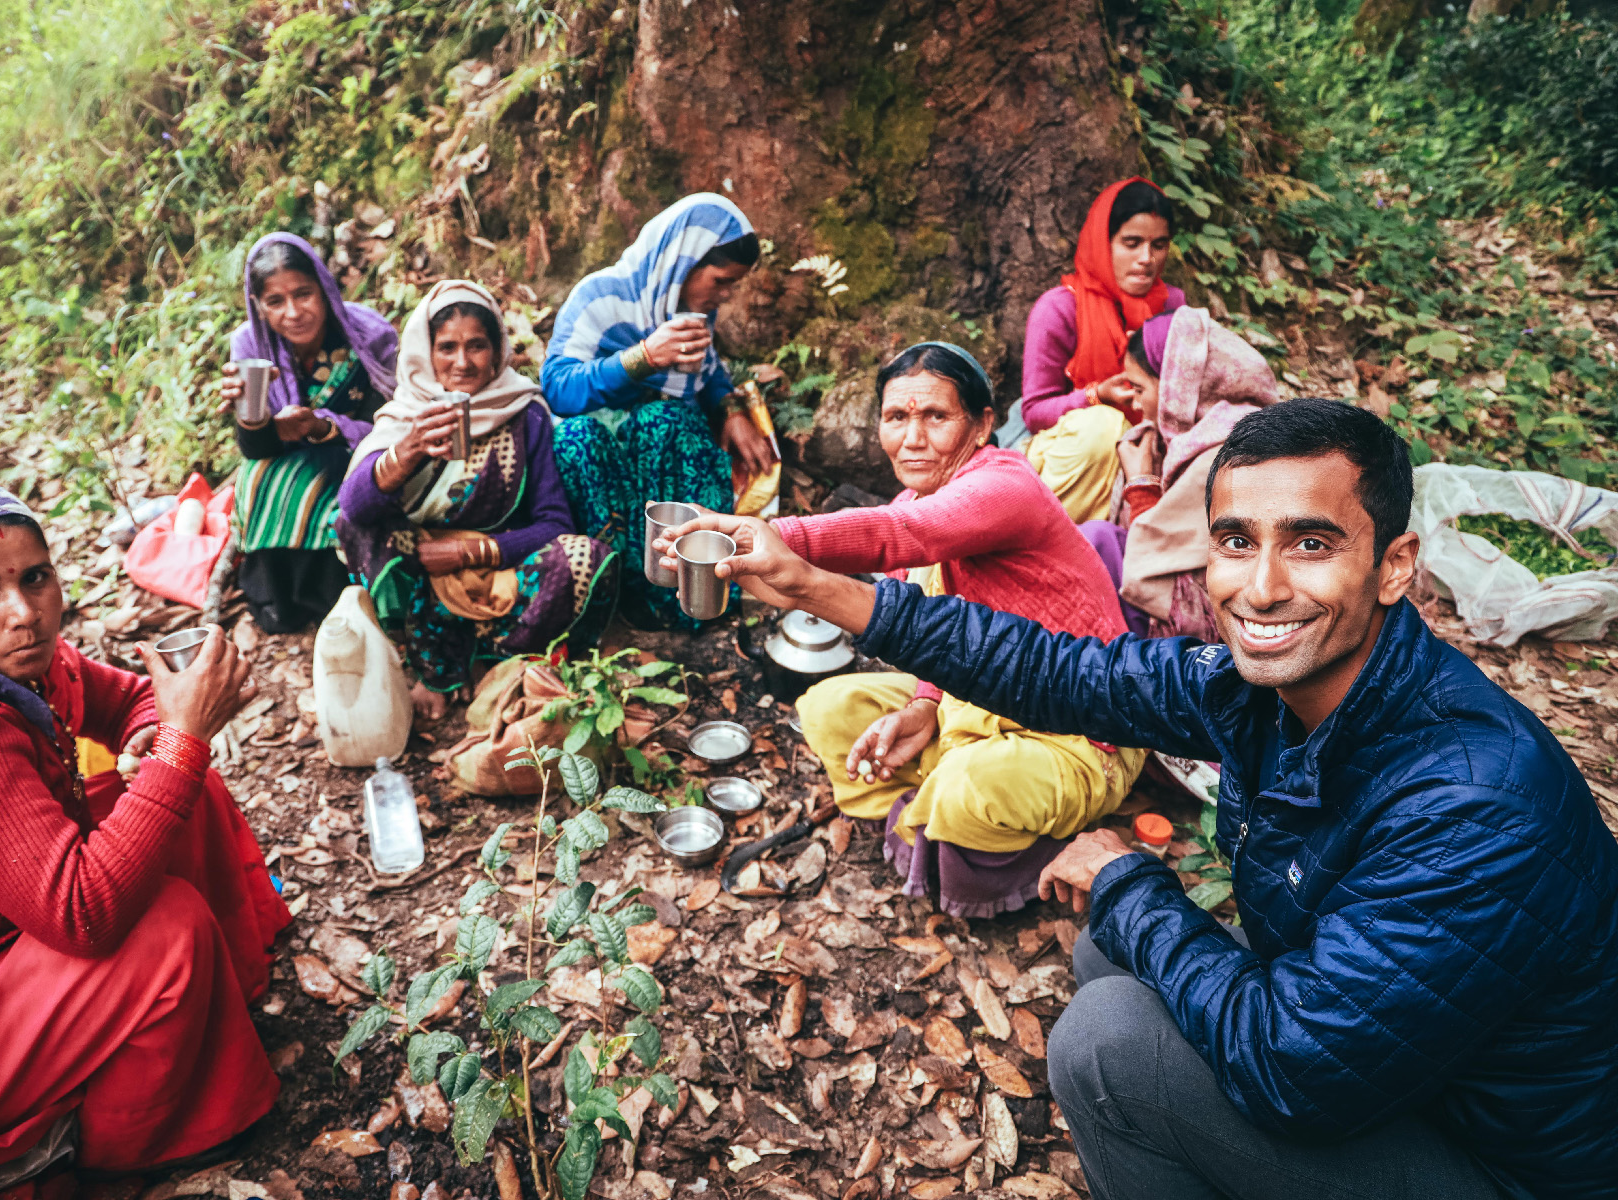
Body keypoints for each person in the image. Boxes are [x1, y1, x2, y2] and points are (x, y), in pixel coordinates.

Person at [658, 399, 1618, 1199]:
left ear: (1395, 566)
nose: (1263, 586)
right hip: (1401, 1058)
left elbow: (1296, 1073)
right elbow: (1056, 670)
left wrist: (1129, 877)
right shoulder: (1268, 690)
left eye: (1312, 544)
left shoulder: (1476, 803)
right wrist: (808, 582)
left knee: (1106, 1041)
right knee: (1113, 950)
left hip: (1502, 1165)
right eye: (1237, 542)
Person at [0, 477, 289, 1187]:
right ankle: (134, 1146)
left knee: (178, 792)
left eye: (36, 578)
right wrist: (181, 741)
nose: (25, 614)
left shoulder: (8, 664)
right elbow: (84, 915)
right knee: (165, 926)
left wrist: (157, 740)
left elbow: (129, 700)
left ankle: (223, 1008)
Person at [779, 343, 1146, 917]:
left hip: (1076, 732)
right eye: (896, 417)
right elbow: (940, 639)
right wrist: (924, 707)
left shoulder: (1005, 485)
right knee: (828, 708)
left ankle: (992, 841)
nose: (913, 438)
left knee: (966, 787)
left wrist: (766, 538)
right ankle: (938, 815)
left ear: (982, 426)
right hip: (969, 705)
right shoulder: (915, 502)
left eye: (936, 417)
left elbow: (899, 532)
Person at [335, 280, 617, 721]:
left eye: (477, 346)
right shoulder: (404, 417)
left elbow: (554, 522)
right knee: (358, 527)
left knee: (584, 557)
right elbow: (354, 509)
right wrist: (406, 453)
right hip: (422, 572)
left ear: (498, 350)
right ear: (424, 353)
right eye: (446, 347)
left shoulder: (524, 413)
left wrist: (473, 550)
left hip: (496, 571)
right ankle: (434, 667)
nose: (462, 362)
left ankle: (496, 658)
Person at [544, 193, 775, 629]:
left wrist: (730, 409)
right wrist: (644, 357)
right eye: (721, 280)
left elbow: (706, 372)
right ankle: (615, 593)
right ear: (682, 261)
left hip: (654, 452)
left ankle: (691, 593)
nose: (724, 296)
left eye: (732, 285)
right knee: (578, 441)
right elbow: (558, 389)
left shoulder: (692, 313)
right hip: (601, 454)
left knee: (667, 421)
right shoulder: (600, 298)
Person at [218, 232, 399, 633]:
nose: (294, 312)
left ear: (324, 289)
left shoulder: (368, 334)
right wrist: (255, 419)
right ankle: (281, 598)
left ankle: (341, 594)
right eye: (276, 301)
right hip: (285, 454)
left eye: (303, 294)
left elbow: (391, 420)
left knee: (328, 494)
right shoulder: (249, 344)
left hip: (360, 451)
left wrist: (322, 426)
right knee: (256, 481)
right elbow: (254, 449)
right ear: (259, 307)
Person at [1101, 305, 1280, 640]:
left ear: (1173, 387)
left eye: (1139, 390)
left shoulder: (1227, 451)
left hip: (1225, 617)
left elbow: (1155, 562)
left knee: (1098, 543)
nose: (1135, 406)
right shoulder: (1186, 438)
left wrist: (1141, 485)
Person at [1010, 178, 1182, 524]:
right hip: (1073, 458)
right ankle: (1045, 535)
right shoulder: (1059, 309)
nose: (1146, 259)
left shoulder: (1171, 306)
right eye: (1131, 244)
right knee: (1106, 426)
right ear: (1103, 244)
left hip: (1148, 449)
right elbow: (1035, 411)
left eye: (1158, 245)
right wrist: (1097, 395)